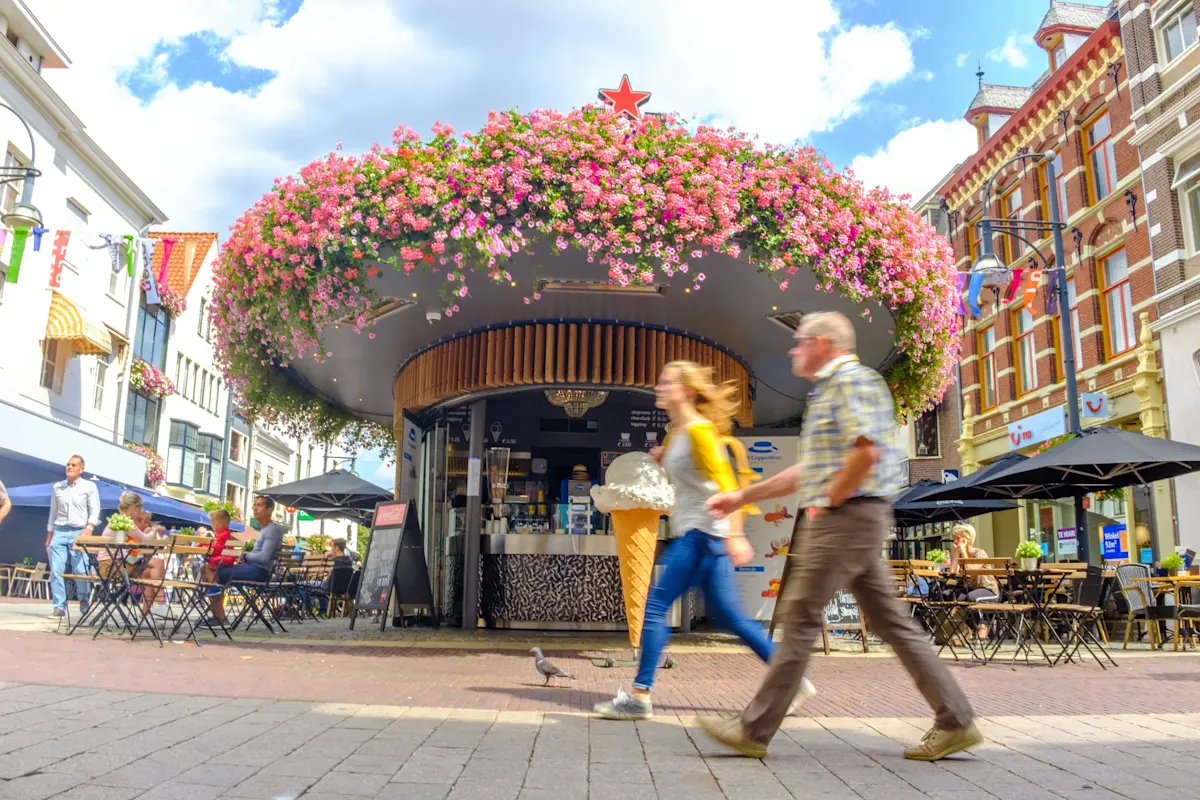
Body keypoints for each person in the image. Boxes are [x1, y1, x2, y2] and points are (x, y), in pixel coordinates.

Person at [698, 311, 981, 762]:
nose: (793, 350)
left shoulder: (850, 381)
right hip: (856, 514)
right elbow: (810, 469)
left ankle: (753, 729)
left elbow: (866, 451)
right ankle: (956, 720)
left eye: (799, 342)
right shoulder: (835, 388)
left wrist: (831, 500)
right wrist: (743, 497)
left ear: (822, 343)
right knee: (890, 622)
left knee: (800, 616)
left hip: (846, 516)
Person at [593, 361, 815, 721]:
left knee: (655, 607)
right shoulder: (676, 435)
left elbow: (727, 484)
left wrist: (737, 534)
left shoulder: (700, 432)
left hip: (702, 534)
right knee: (733, 618)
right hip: (704, 537)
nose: (659, 388)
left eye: (666, 383)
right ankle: (792, 681)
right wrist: (663, 459)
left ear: (685, 390)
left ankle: (639, 696)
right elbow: (688, 476)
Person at [45, 455, 100, 618]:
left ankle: (83, 599)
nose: (69, 467)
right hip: (60, 531)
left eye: (73, 465)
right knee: (56, 570)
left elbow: (95, 510)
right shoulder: (58, 487)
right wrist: (49, 535)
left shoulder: (89, 486)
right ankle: (59, 606)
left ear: (81, 469)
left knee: (80, 570)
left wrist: (89, 528)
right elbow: (53, 512)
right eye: (68, 464)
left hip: (79, 531)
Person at [948, 523, 1000, 641]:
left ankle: (983, 625)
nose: (955, 542)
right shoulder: (960, 554)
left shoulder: (979, 553)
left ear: (967, 539)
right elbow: (953, 572)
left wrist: (963, 552)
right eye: (954, 538)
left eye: (958, 538)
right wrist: (957, 554)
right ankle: (968, 629)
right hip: (972, 589)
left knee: (971, 598)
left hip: (988, 590)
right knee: (957, 597)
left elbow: (970, 571)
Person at [217, 495, 282, 587]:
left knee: (217, 572)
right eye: (254, 505)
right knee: (214, 569)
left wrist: (245, 556)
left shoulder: (272, 530)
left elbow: (263, 558)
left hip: (258, 571)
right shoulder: (267, 529)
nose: (255, 508)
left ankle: (212, 595)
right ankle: (214, 594)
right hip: (256, 570)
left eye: (259, 505)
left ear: (269, 510)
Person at [202, 509, 239, 624]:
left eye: (214, 523)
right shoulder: (224, 534)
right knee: (205, 570)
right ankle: (218, 615)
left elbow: (215, 549)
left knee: (205, 568)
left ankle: (214, 587)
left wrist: (202, 546)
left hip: (223, 562)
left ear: (222, 523)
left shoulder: (222, 535)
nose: (212, 526)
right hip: (223, 562)